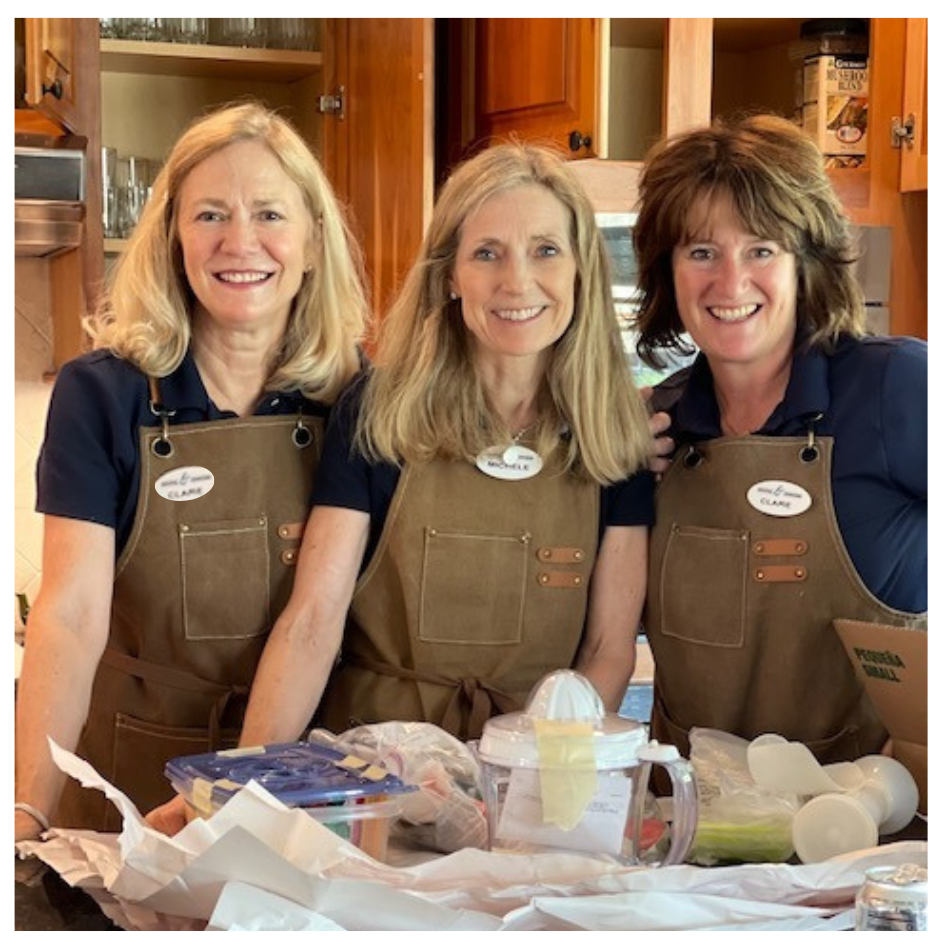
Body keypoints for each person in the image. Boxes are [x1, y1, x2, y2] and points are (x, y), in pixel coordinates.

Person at [13, 100, 370, 841]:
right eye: (210, 215)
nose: (240, 242)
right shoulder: (103, 395)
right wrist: (28, 814)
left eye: (270, 214)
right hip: (130, 789)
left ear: (312, 242)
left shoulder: (356, 399)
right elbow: (71, 616)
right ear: (174, 239)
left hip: (299, 787)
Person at [235, 139, 658, 752]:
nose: (517, 282)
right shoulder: (380, 411)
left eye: (546, 250)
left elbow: (607, 651)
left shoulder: (615, 434)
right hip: (373, 768)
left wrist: (533, 779)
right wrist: (246, 776)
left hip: (528, 772)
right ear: (451, 276)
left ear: (580, 269)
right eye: (487, 253)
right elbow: (311, 624)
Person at [631, 112, 934, 766]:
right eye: (701, 252)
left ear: (806, 262)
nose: (730, 282)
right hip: (693, 817)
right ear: (667, 270)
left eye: (761, 250)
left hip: (876, 814)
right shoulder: (655, 428)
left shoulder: (896, 388)